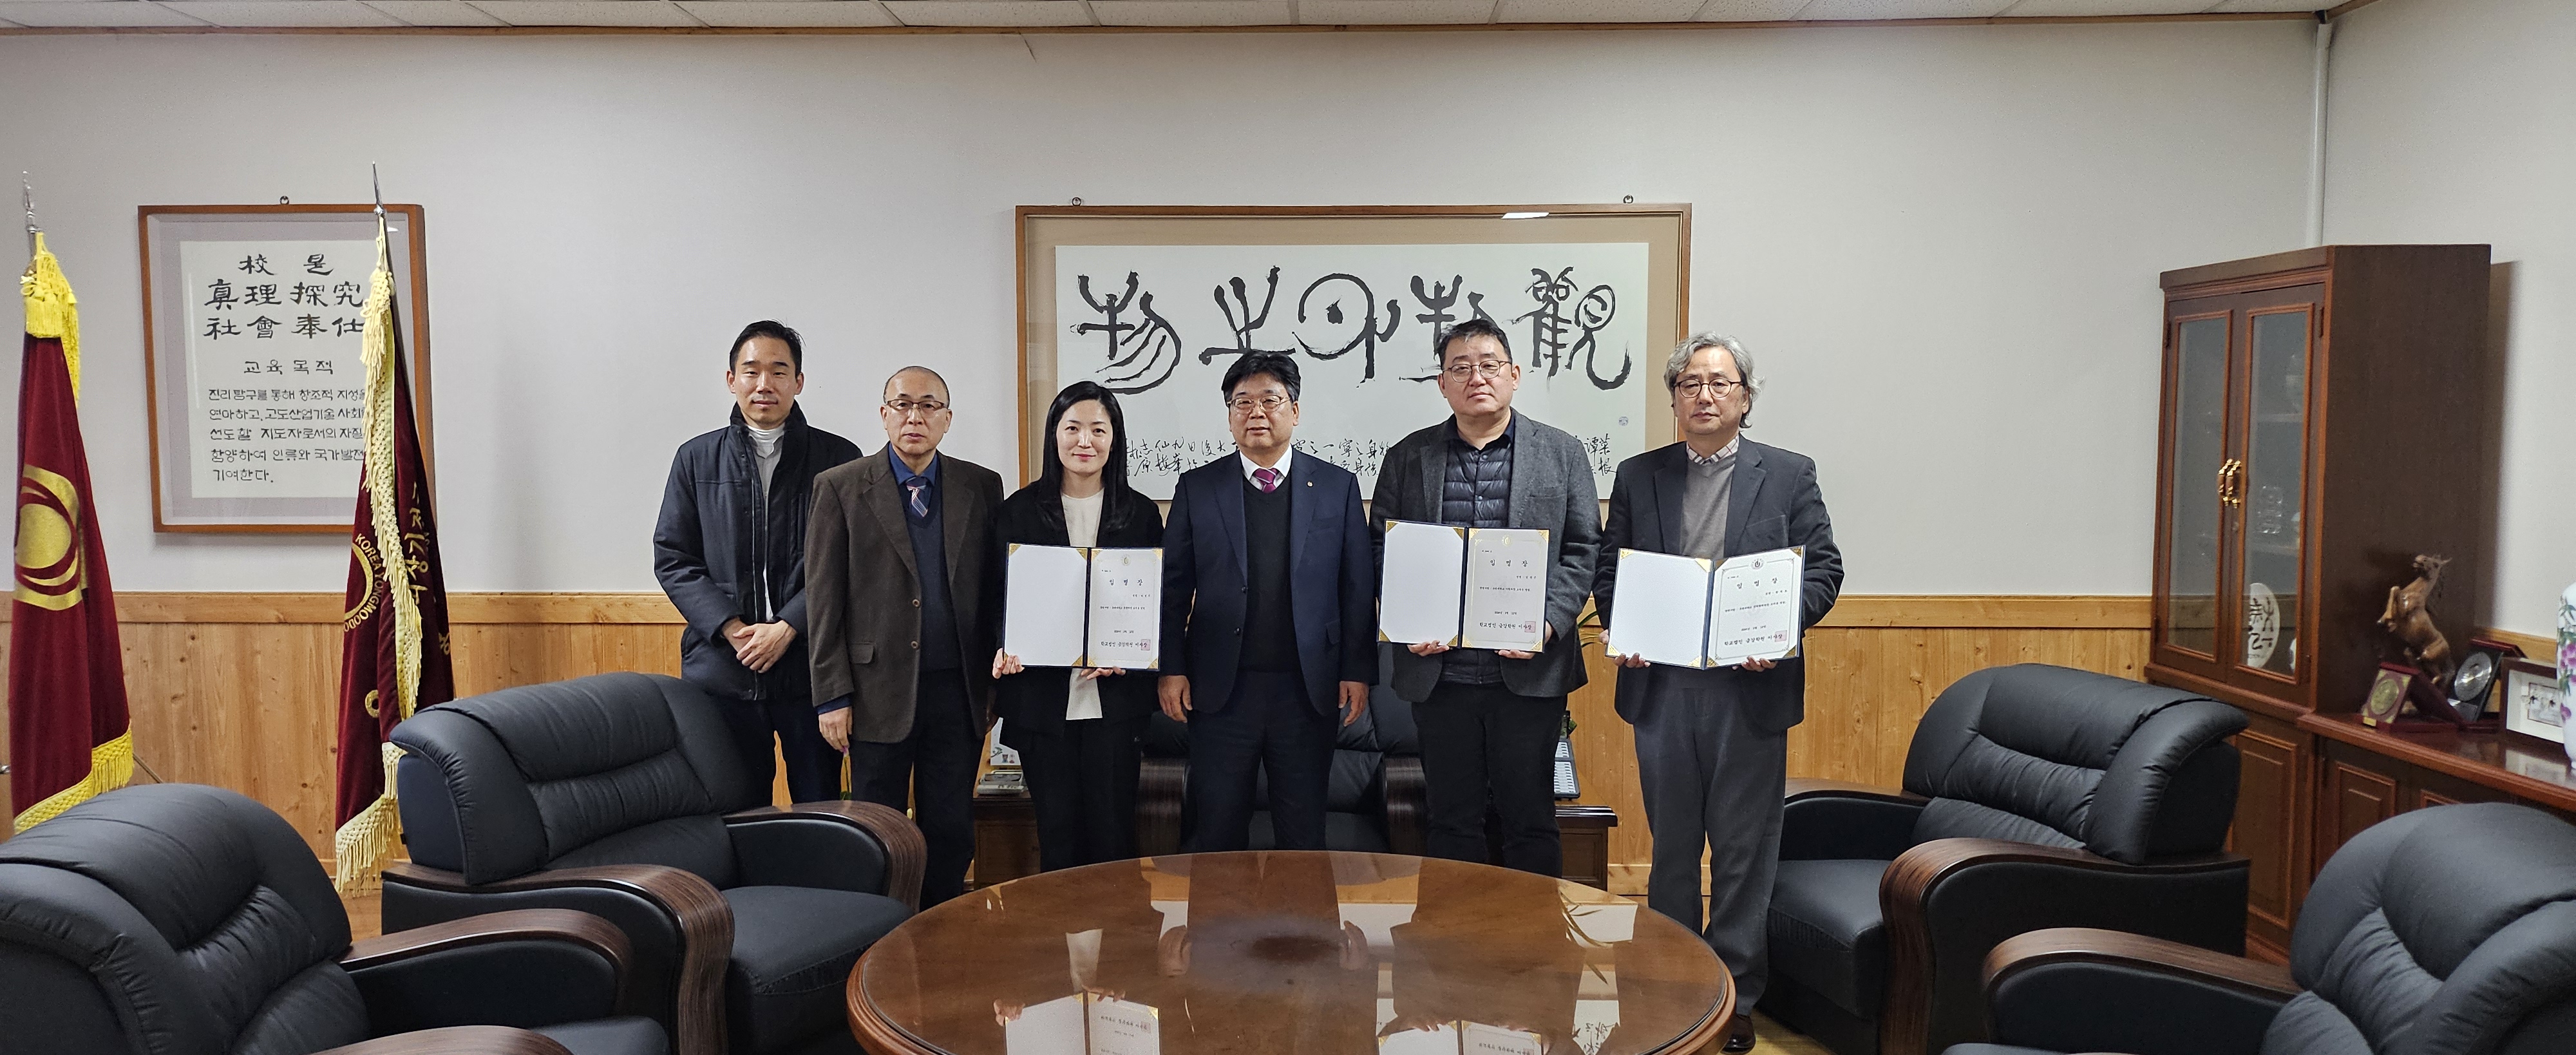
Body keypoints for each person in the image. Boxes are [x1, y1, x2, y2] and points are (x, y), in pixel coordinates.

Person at [1594, 333, 1842, 1054]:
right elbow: (1611, 571)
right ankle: (1677, 991)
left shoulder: (1789, 474)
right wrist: (1621, 627)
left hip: (1749, 690)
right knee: (1672, 849)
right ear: (1674, 399)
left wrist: (1781, 630)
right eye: (1690, 384)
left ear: (1745, 397)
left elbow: (1824, 571)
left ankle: (1733, 999)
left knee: (1742, 854)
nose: (1704, 395)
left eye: (1719, 383)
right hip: (1663, 687)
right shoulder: (1639, 475)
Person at [1368, 318, 1600, 877]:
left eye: (1489, 365)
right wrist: (1406, 618)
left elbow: (1583, 548)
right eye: (1460, 368)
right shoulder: (1407, 457)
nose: (1477, 377)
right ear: (1442, 384)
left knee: (1530, 821)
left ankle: (1534, 932)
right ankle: (1452, 933)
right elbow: (1381, 549)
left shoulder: (1563, 453)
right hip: (1440, 676)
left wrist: (1548, 623)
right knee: (1451, 821)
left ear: (1514, 374)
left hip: (1528, 673)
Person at [1157, 352, 1375, 851]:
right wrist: (1172, 668)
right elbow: (1172, 588)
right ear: (1229, 416)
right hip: (1221, 691)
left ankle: (1305, 911)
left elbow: (1356, 587)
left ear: (1294, 411)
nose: (1256, 412)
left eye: (1270, 400)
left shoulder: (1337, 487)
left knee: (1303, 835)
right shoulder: (1197, 488)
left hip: (1308, 690)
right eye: (1242, 402)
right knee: (1218, 833)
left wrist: (1356, 670)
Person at [807, 365, 1005, 906]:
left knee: (950, 828)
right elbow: (823, 598)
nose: (915, 416)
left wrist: (993, 687)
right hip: (874, 691)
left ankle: (941, 928)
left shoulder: (980, 486)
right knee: (879, 829)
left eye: (928, 405)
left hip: (957, 690)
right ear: (884, 414)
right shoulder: (841, 487)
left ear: (947, 418)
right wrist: (832, 695)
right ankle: (881, 930)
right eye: (902, 404)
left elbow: (995, 589)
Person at [654, 321, 860, 804]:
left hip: (811, 670)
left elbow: (853, 561)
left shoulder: (839, 459)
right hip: (723, 671)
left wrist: (788, 627)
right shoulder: (696, 459)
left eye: (779, 371)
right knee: (736, 810)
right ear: (732, 380)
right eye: (751, 371)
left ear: (798, 382)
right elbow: (674, 557)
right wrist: (732, 629)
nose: (764, 384)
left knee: (821, 807)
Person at [991, 381, 1164, 870]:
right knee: (1057, 837)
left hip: (1117, 705)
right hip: (1042, 701)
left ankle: (1118, 925)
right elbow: (995, 597)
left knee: (1114, 840)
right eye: (1072, 428)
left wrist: (1131, 655)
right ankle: (1060, 925)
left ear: (1115, 439)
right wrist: (1003, 646)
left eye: (1098, 430)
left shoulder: (1141, 513)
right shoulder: (1019, 511)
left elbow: (1159, 604)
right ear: (1054, 435)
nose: (1084, 441)